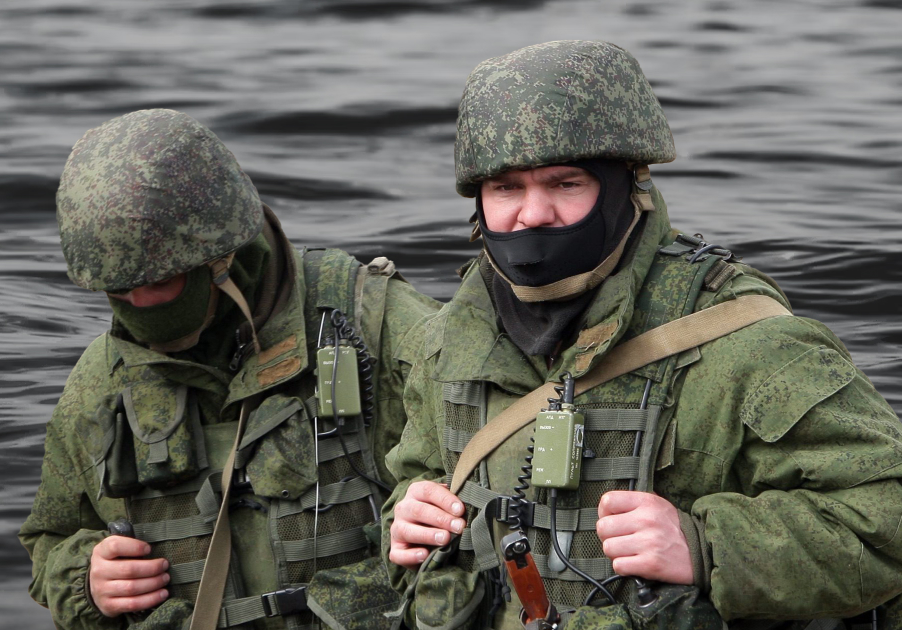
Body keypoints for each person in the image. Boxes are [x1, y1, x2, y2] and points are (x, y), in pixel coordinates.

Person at [382, 40, 902, 630]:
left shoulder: (747, 343)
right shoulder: (448, 341)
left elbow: (885, 521)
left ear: (626, 187)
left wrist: (708, 548)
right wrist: (407, 522)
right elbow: (412, 481)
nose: (532, 214)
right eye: (505, 188)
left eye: (565, 183)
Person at [19, 108, 441, 630]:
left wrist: (421, 514)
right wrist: (86, 579)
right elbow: (51, 538)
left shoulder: (369, 323)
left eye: (158, 282)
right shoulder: (102, 383)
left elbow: (483, 461)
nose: (138, 303)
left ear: (221, 259)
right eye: (119, 289)